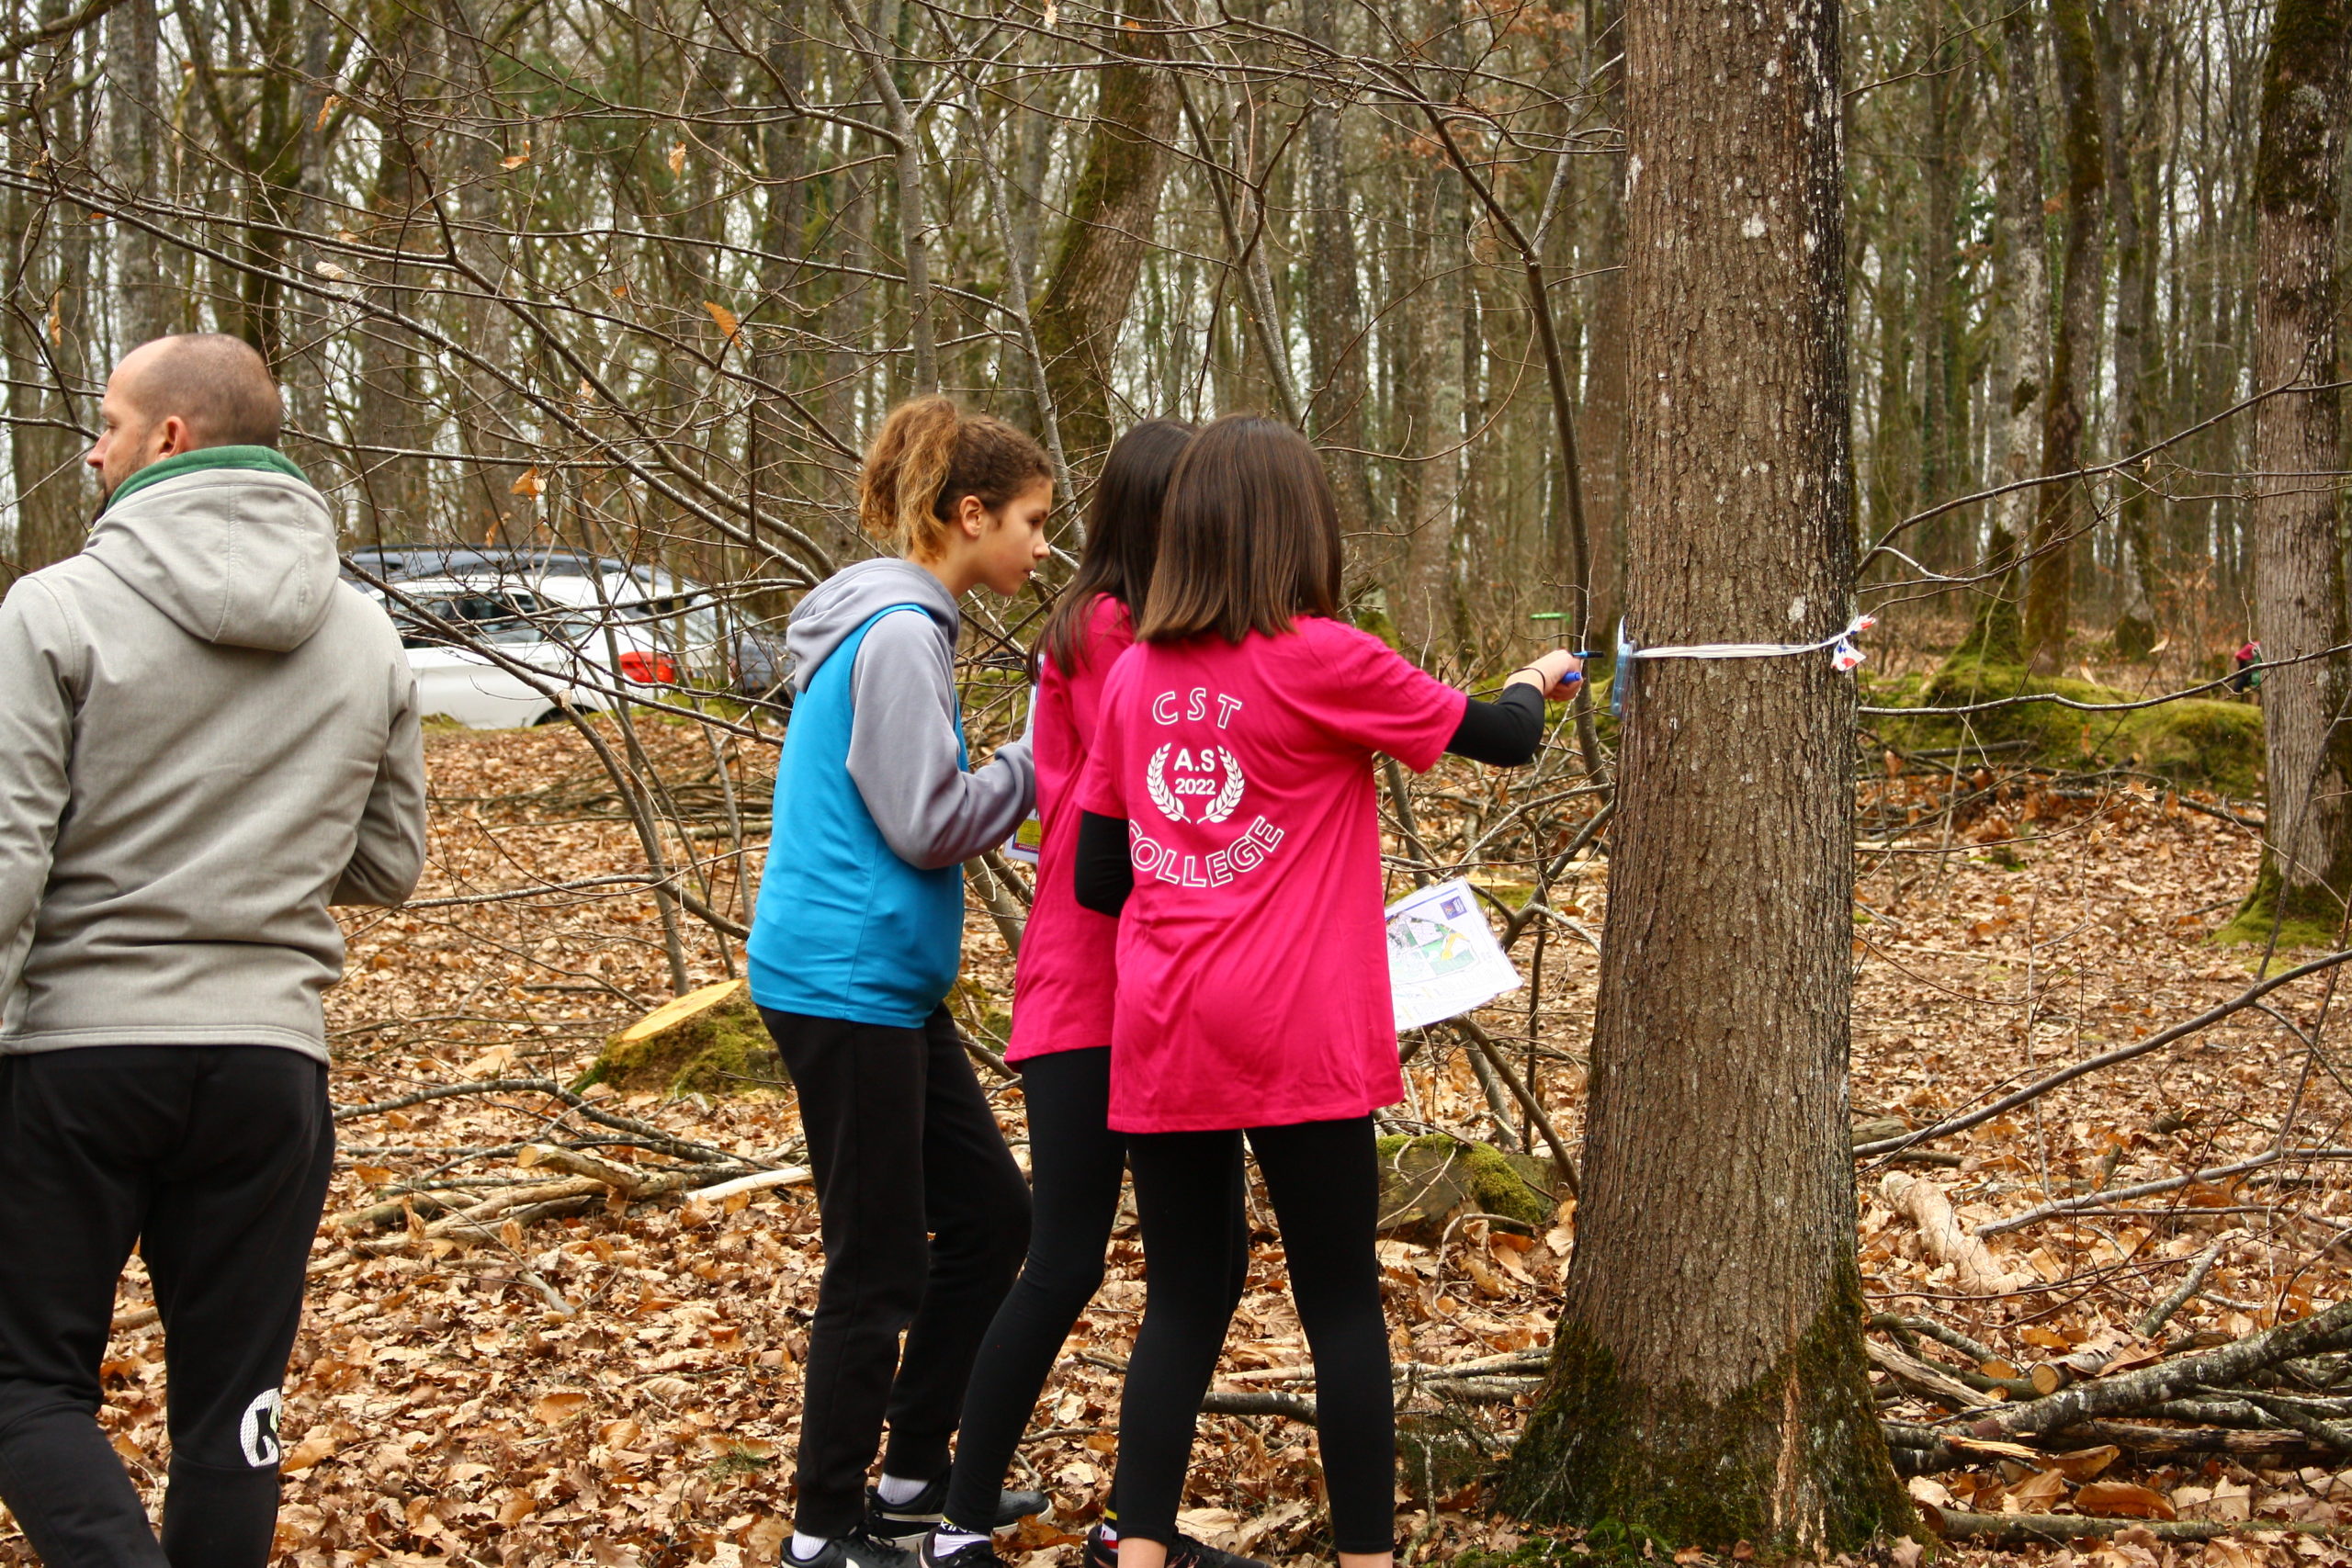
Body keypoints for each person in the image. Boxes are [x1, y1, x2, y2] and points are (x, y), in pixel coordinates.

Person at [1070, 415, 1578, 1568]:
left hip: (1166, 1021)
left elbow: (1100, 873)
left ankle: (1136, 1552)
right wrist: (1534, 675)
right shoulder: (1325, 657)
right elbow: (1505, 739)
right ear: (1299, 533)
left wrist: (1199, 869)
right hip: (1295, 1022)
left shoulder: (1135, 675)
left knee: (1181, 1303)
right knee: (1339, 1303)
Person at [0, 333, 427, 1568]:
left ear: (169, 437)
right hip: (267, 1070)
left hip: (76, 1059)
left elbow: (12, 856)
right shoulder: (364, 633)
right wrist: (260, 841)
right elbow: (391, 861)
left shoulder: (52, 609)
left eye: (109, 423)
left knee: (24, 1382)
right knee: (234, 1407)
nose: (94, 449)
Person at [923, 423, 1256, 1568]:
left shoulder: (1105, 627)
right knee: (1072, 1258)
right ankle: (962, 1523)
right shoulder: (1114, 632)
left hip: (1148, 987)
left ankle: (1130, 1523)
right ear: (1168, 517)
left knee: (1208, 1262)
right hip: (1099, 986)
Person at [744, 395, 1053, 1568]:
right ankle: (822, 1534)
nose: (1040, 546)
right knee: (875, 1262)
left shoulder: (903, 621)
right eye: (1031, 521)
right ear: (970, 515)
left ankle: (916, 1475)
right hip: (845, 979)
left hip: (878, 982)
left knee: (992, 1216)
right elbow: (927, 822)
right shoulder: (899, 633)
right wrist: (1036, 762)